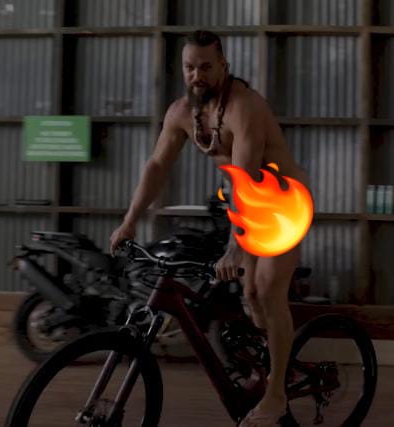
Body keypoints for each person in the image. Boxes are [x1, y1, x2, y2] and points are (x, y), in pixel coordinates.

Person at [109, 30, 314, 426]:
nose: (197, 75)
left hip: (283, 203)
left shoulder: (245, 108)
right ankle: (278, 363)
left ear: (223, 66)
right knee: (250, 297)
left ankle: (276, 396)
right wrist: (130, 220)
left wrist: (236, 247)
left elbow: (246, 179)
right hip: (248, 204)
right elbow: (157, 166)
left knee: (267, 290)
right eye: (190, 67)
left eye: (206, 67)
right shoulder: (181, 113)